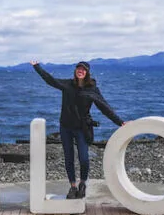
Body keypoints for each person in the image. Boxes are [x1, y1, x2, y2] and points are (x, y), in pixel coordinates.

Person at [30, 60, 125, 199]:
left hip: (82, 128)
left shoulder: (92, 89)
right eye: (78, 69)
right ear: (75, 71)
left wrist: (120, 122)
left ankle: (82, 183)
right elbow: (50, 80)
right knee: (69, 158)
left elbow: (105, 107)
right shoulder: (68, 84)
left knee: (84, 159)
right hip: (66, 127)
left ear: (87, 73)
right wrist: (37, 67)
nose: (80, 71)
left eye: (83, 69)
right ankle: (73, 186)